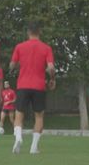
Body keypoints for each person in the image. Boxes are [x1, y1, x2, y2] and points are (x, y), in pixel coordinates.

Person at [10, 22, 56, 154]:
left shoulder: (20, 47)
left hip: (23, 85)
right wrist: (52, 79)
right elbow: (51, 67)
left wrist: (16, 67)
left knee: (19, 115)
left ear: (28, 32)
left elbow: (12, 65)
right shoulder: (46, 48)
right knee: (39, 117)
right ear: (39, 32)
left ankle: (18, 138)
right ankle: (34, 147)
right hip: (39, 86)